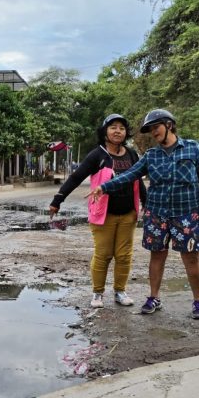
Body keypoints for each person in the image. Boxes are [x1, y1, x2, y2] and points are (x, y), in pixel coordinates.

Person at [90, 109, 199, 319]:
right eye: (150, 130)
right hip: (156, 214)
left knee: (191, 259)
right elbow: (130, 175)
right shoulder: (151, 155)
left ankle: (197, 302)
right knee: (156, 256)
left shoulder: (193, 148)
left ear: (169, 125)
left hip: (186, 214)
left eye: (156, 127)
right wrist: (104, 187)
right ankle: (154, 297)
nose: (153, 133)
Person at [49, 114, 147, 309]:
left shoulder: (131, 154)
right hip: (103, 214)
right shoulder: (97, 155)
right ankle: (97, 293)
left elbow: (137, 180)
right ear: (104, 132)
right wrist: (58, 200)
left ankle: (120, 291)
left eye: (121, 128)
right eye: (113, 127)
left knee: (124, 255)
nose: (118, 131)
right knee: (103, 254)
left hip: (128, 213)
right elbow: (76, 178)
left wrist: (147, 202)